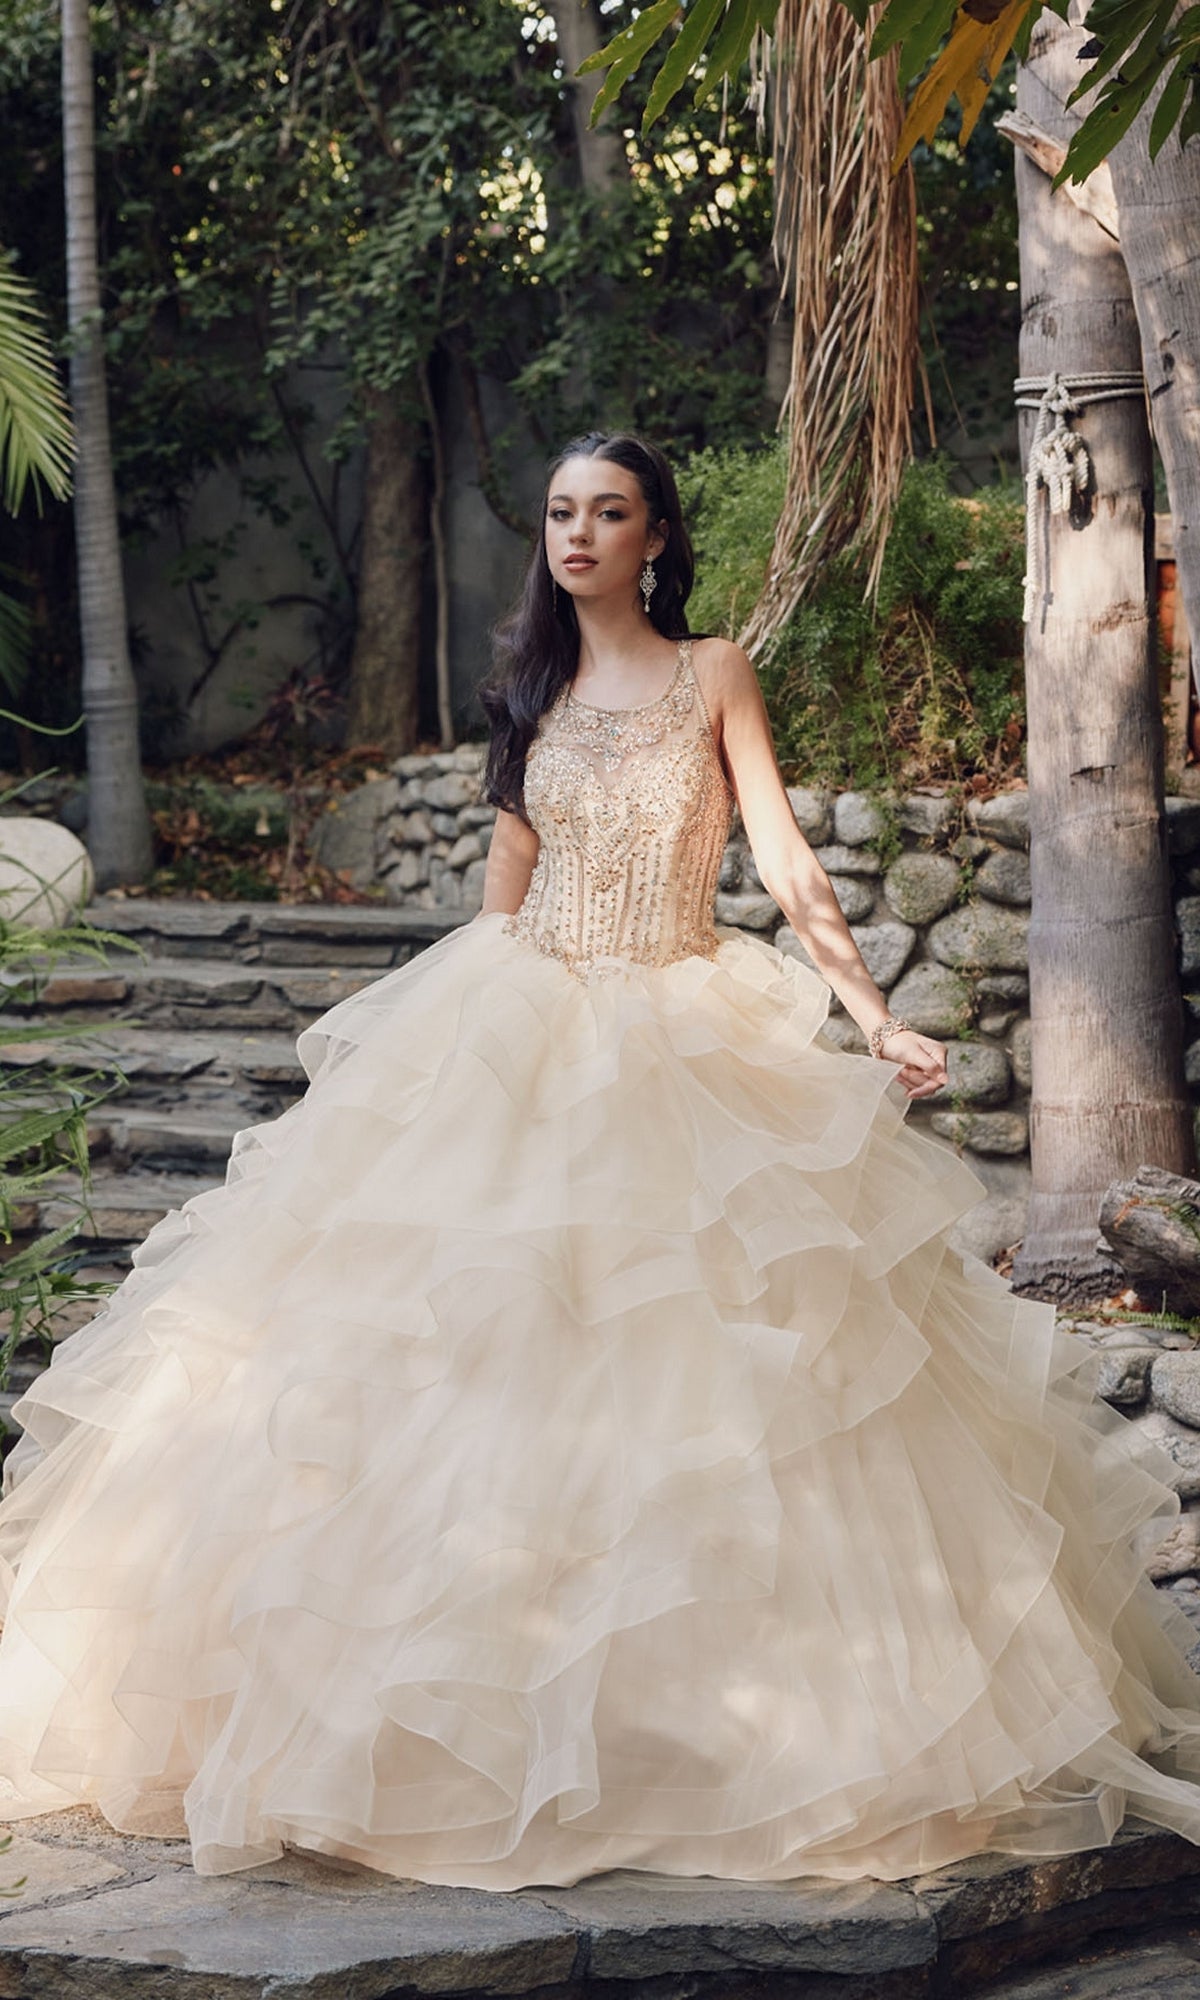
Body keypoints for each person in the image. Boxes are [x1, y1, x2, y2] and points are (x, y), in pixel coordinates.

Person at [2, 430, 1200, 1892]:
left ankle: (698, 1742)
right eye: (561, 510)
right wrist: (447, 1056)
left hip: (685, 1025)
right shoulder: (526, 690)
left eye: (608, 512)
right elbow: (507, 881)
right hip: (525, 1022)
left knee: (721, 1376)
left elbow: (783, 859)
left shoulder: (714, 673)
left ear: (654, 536)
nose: (578, 533)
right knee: (461, 1367)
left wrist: (875, 1013)